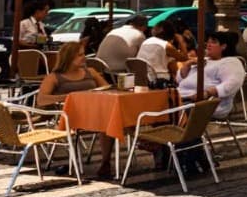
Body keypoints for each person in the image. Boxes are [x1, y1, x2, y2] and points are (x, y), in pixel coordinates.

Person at [38, 41, 118, 178]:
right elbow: (41, 100)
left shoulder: (90, 72)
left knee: (109, 119)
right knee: (106, 120)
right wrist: (70, 97)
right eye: (80, 55)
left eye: (83, 54)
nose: (84, 57)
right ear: (69, 57)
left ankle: (106, 163)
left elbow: (108, 89)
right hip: (71, 116)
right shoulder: (54, 77)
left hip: (94, 111)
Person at [177, 31, 247, 120]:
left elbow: (233, 83)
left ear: (223, 46)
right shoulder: (203, 61)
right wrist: (188, 64)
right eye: (208, 42)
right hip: (181, 97)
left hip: (204, 105)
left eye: (213, 42)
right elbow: (179, 80)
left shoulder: (230, 62)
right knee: (156, 102)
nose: (208, 45)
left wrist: (208, 93)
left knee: (161, 111)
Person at [136, 21, 179, 86]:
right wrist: (180, 40)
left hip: (141, 78)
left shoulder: (146, 42)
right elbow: (184, 58)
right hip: (159, 80)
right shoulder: (166, 45)